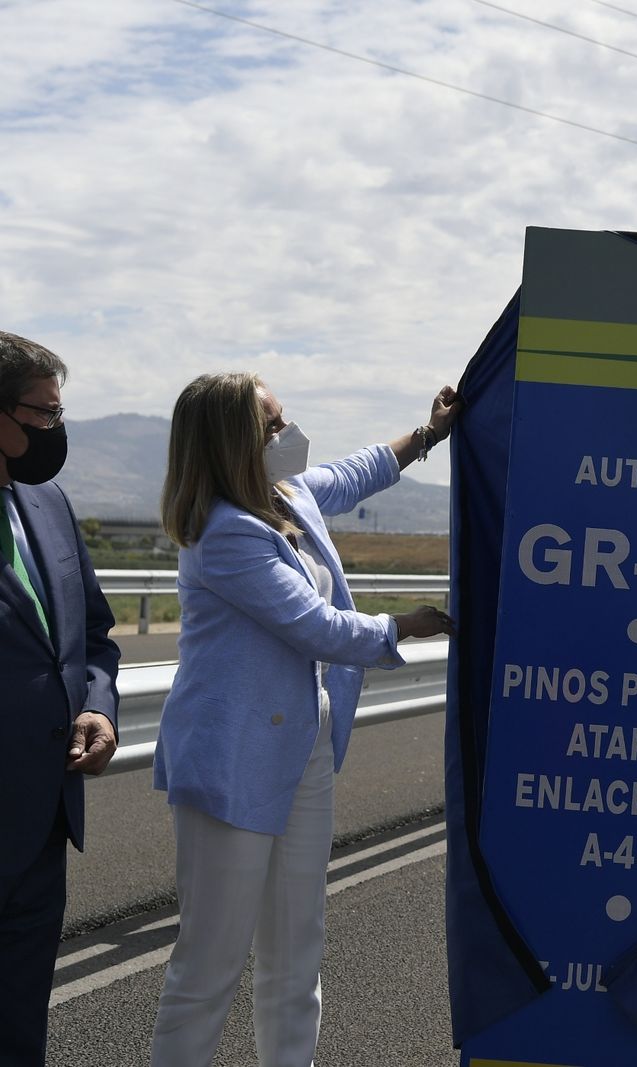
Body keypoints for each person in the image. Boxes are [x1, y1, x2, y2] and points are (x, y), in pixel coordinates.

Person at [149, 372, 459, 1066]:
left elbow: (354, 472)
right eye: (274, 426)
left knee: (297, 954)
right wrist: (402, 625)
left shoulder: (286, 495)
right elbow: (313, 625)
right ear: (234, 442)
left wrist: (429, 433)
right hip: (233, 760)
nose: (289, 436)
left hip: (302, 747)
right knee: (210, 967)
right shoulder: (224, 533)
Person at [0, 331, 120, 1065]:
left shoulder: (48, 503)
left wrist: (98, 705)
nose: (56, 430)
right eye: (42, 414)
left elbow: (95, 638)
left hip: (43, 824)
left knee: (20, 1027)